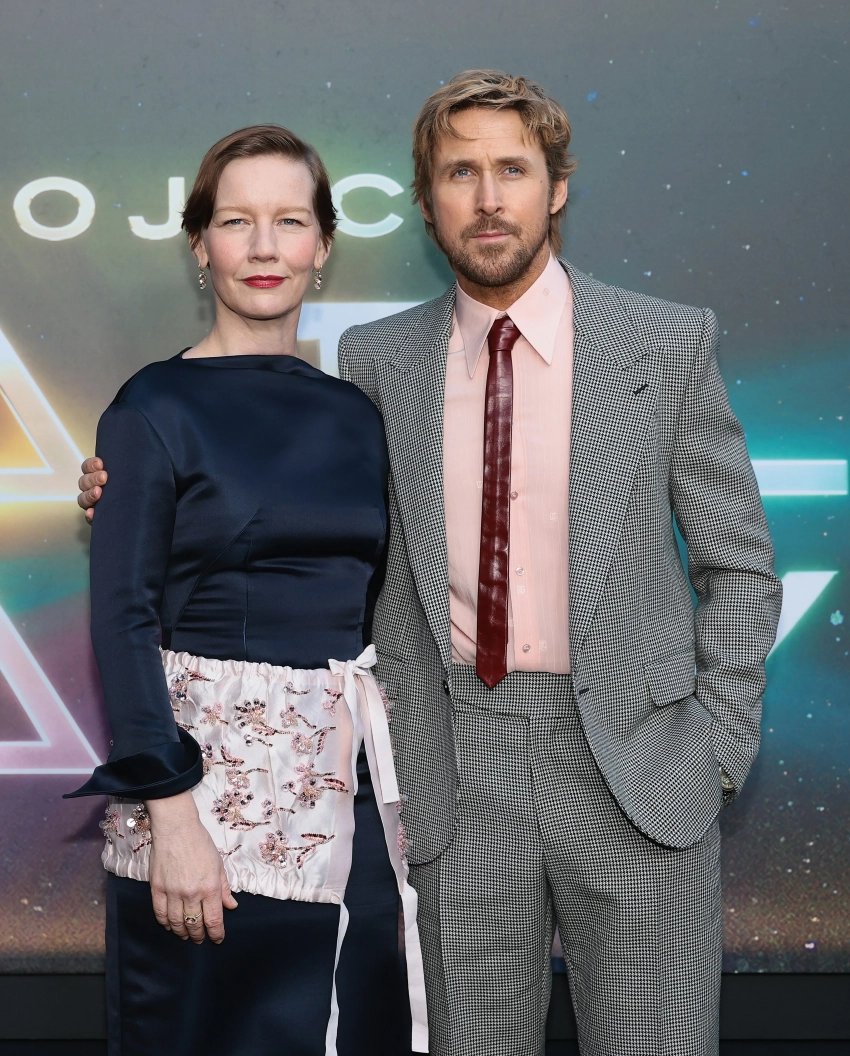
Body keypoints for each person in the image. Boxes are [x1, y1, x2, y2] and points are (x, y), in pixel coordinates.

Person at [79, 72, 783, 1056]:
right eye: (460, 173)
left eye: (512, 170)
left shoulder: (663, 344)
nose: (488, 198)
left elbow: (739, 566)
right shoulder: (378, 364)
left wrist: (715, 749)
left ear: (557, 188)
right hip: (451, 771)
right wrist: (121, 493)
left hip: (638, 768)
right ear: (424, 202)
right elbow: (275, 520)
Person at [67, 124, 427, 1056]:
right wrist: (173, 817)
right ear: (200, 245)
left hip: (349, 819)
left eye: (290, 221)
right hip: (204, 821)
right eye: (236, 221)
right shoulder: (150, 407)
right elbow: (122, 624)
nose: (265, 246)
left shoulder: (359, 415)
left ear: (323, 245)